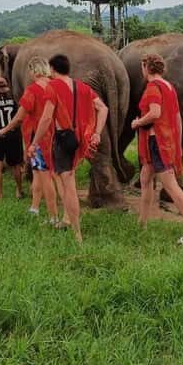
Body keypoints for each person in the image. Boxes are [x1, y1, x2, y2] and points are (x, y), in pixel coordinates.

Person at [132, 54, 183, 244]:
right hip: (166, 141)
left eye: (143, 66)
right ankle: (142, 224)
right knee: (145, 178)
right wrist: (176, 144)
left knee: (170, 185)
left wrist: (137, 122)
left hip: (157, 142)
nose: (142, 70)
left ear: (147, 67)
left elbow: (155, 113)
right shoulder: (168, 87)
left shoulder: (153, 87)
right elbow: (177, 117)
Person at [47, 54, 108, 243]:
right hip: (79, 139)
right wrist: (97, 133)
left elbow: (46, 117)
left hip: (63, 139)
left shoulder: (52, 86)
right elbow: (103, 108)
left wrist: (34, 142)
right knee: (64, 179)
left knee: (69, 185)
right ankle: (68, 220)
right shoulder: (81, 86)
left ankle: (77, 233)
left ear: (52, 69)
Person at [0, 57, 59, 225]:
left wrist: (4, 129)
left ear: (34, 70)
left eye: (30, 71)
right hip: (57, 136)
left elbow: (20, 117)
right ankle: (34, 207)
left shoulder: (33, 89)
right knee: (39, 175)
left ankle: (53, 217)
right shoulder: (56, 85)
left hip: (39, 139)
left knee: (46, 177)